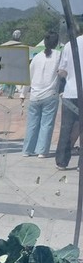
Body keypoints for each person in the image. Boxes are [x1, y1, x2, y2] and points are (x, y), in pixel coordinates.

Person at [20, 31, 60, 158]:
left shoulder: (37, 57)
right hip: (50, 94)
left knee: (32, 124)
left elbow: (28, 76)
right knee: (46, 124)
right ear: (56, 43)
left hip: (34, 95)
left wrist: (23, 94)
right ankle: (42, 151)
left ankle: (27, 150)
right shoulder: (58, 56)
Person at [54, 33, 83, 170]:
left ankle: (61, 161)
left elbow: (62, 71)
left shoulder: (69, 44)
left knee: (66, 128)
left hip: (70, 92)